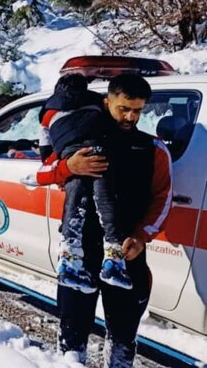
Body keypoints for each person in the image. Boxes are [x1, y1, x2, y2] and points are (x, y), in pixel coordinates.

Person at [37, 74, 173, 367]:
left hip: (126, 251)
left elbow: (164, 197)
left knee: (123, 339)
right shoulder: (80, 136)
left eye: (137, 110)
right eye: (124, 108)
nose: (130, 116)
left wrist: (141, 235)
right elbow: (42, 172)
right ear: (107, 101)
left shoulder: (153, 149)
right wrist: (68, 167)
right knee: (72, 335)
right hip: (81, 252)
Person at [39, 74, 129, 293]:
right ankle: (114, 259)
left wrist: (65, 165)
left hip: (68, 152)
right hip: (98, 149)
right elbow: (108, 128)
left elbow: (44, 159)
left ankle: (69, 261)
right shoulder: (97, 100)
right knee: (106, 197)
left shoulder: (46, 111)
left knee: (75, 194)